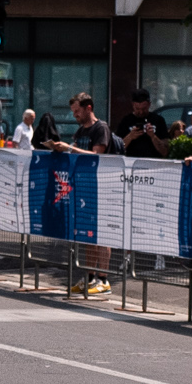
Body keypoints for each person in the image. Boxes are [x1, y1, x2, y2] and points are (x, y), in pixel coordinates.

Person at [52, 92, 113, 294]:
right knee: (87, 234)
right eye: (73, 112)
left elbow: (97, 155)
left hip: (100, 185)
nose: (75, 115)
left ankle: (103, 279)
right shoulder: (80, 131)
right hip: (83, 187)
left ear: (88, 108)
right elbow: (75, 153)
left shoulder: (100, 128)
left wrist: (70, 148)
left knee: (102, 234)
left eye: (77, 111)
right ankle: (88, 276)